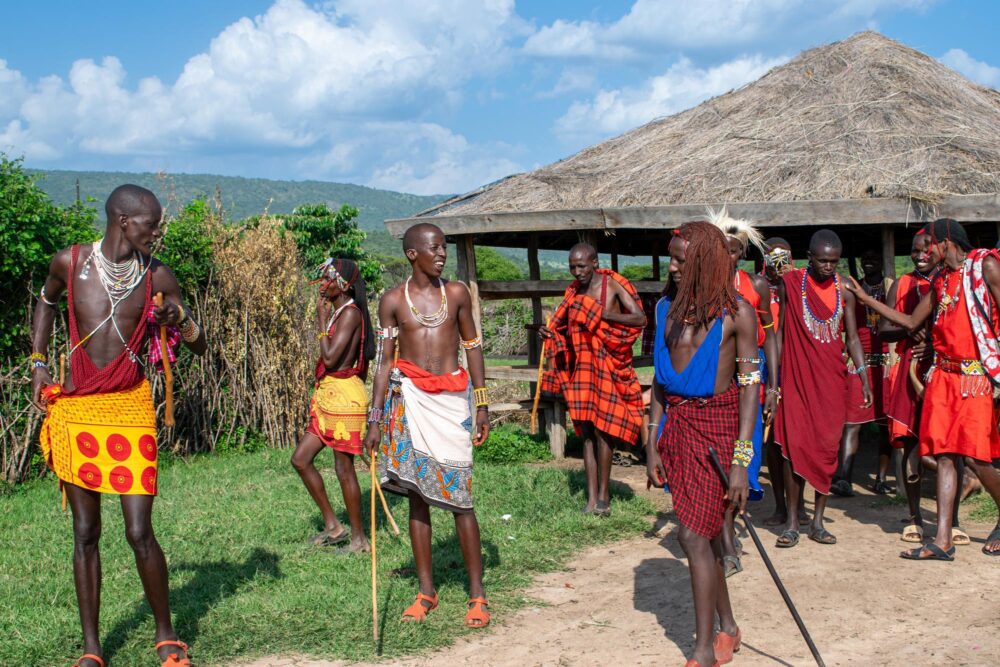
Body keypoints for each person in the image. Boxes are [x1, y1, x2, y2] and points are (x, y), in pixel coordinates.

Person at [30, 185, 204, 667]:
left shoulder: (157, 274)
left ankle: (166, 634)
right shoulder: (70, 263)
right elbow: (45, 302)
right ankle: (92, 648)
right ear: (124, 222)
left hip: (130, 409)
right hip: (78, 409)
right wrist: (39, 362)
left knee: (138, 530)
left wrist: (180, 317)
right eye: (152, 224)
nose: (158, 232)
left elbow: (201, 343)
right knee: (85, 531)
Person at [846, 218, 1000, 560]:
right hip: (942, 377)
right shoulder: (941, 280)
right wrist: (865, 299)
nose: (925, 253)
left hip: (974, 377)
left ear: (946, 242)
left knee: (977, 458)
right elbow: (910, 322)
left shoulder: (985, 266)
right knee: (944, 455)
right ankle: (942, 541)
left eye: (930, 245)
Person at [364, 223, 492, 627]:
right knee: (417, 495)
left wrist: (482, 404)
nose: (441, 254)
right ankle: (426, 592)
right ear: (412, 254)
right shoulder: (392, 301)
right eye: (434, 248)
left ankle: (477, 595)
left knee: (461, 500)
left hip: (452, 404)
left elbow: (473, 347)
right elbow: (383, 363)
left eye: (444, 247)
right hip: (410, 403)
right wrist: (374, 419)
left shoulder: (457, 294)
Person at [646, 221, 758, 667]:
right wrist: (652, 441)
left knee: (692, 535)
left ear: (704, 261)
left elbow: (751, 389)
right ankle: (727, 626)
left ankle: (703, 649)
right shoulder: (664, 310)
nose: (672, 267)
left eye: (680, 260)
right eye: (671, 258)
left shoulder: (738, 314)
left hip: (720, 431)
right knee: (705, 537)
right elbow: (659, 383)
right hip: (677, 433)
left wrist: (741, 463)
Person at [773, 229, 871, 548]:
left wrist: (863, 376)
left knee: (827, 447)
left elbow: (852, 338)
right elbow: (780, 331)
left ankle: (817, 521)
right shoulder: (791, 283)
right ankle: (791, 522)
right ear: (809, 257)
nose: (828, 267)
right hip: (796, 378)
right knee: (794, 447)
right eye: (822, 261)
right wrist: (775, 380)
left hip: (832, 380)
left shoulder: (845, 290)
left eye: (834, 261)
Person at [539, 243, 646, 515]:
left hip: (608, 366)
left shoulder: (612, 285)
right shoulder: (573, 292)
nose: (577, 272)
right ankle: (590, 498)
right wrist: (550, 333)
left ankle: (604, 497)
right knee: (586, 431)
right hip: (582, 368)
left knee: (603, 430)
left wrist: (603, 314)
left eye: (582, 266)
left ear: (595, 263)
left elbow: (639, 319)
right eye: (572, 267)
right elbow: (565, 327)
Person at [708, 209, 779, 577]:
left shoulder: (756, 286)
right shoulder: (702, 289)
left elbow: (771, 339)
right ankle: (725, 538)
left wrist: (774, 387)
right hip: (717, 380)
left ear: (742, 252)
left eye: (734, 250)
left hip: (751, 379)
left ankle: (733, 520)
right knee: (715, 456)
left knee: (744, 454)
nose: (728, 256)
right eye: (722, 249)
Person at [291, 258, 375, 553]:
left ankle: (359, 539)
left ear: (344, 285)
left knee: (344, 468)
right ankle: (334, 527)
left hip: (344, 398)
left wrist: (319, 321)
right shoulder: (340, 312)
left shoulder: (350, 314)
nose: (323, 283)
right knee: (301, 459)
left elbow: (329, 358)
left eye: (328, 278)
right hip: (329, 395)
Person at [878, 232, 945, 543]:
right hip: (911, 368)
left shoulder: (950, 282)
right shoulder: (902, 284)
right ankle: (915, 516)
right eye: (914, 251)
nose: (919, 256)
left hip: (944, 366)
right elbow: (883, 329)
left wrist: (933, 342)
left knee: (949, 447)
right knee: (911, 443)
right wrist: (909, 329)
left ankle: (951, 521)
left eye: (926, 251)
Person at [831, 249, 894, 497]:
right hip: (859, 362)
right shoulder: (851, 288)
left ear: (882, 261)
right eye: (865, 257)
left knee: (886, 426)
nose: (869, 261)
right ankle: (844, 477)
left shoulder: (890, 289)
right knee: (852, 422)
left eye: (873, 257)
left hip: (886, 362)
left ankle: (881, 479)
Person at [758, 237, 807, 528]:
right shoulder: (757, 285)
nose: (778, 264)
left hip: (796, 365)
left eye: (783, 258)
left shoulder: (801, 282)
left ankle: (799, 506)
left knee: (798, 439)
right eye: (772, 258)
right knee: (773, 440)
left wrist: (792, 280)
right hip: (765, 367)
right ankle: (780, 506)